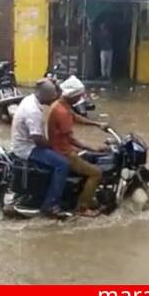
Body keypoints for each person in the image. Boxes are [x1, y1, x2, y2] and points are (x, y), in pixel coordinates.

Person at [47, 78, 108, 217]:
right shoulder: (61, 112)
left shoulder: (61, 105)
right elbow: (71, 139)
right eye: (79, 95)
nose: (81, 98)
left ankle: (88, 195)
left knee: (91, 161)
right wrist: (93, 148)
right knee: (96, 173)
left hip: (63, 149)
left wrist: (97, 124)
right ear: (72, 95)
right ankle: (82, 208)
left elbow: (77, 117)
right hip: (64, 153)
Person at [12, 79, 70, 218]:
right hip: (27, 148)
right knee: (63, 164)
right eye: (52, 97)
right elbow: (37, 139)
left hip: (23, 143)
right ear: (44, 94)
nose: (53, 100)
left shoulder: (31, 99)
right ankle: (50, 205)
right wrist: (54, 147)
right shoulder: (33, 111)